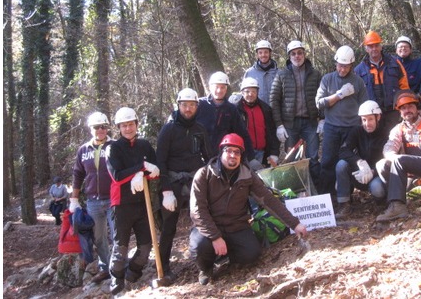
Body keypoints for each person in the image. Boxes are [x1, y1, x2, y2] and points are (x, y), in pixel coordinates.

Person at [189, 134, 307, 285]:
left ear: (241, 156)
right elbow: (197, 210)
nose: (233, 155)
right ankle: (206, 268)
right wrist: (215, 237)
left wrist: (295, 224)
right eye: (229, 150)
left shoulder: (247, 176)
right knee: (199, 246)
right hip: (209, 226)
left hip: (236, 226)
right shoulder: (204, 174)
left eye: (237, 152)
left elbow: (269, 200)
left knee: (251, 254)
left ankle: (228, 256)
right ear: (221, 152)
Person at [156, 88, 214, 284]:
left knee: (202, 221)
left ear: (197, 106)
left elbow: (209, 157)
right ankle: (163, 269)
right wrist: (165, 191)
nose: (188, 109)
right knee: (168, 227)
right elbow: (160, 161)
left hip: (195, 182)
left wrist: (211, 180)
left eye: (192, 105)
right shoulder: (168, 129)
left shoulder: (200, 129)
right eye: (185, 105)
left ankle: (205, 267)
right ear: (178, 106)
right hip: (172, 184)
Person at [105, 107, 161, 295]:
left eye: (131, 124)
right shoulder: (112, 148)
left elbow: (154, 170)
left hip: (142, 202)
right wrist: (140, 169)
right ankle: (116, 277)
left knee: (146, 246)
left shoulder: (145, 145)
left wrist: (150, 172)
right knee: (121, 248)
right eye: (124, 125)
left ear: (137, 124)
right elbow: (117, 176)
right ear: (119, 127)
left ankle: (133, 274)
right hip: (121, 203)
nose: (128, 128)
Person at [315, 45, 368, 197]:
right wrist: (339, 95)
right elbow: (319, 103)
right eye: (340, 66)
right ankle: (327, 198)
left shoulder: (358, 82)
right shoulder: (327, 79)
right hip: (332, 127)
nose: (342, 70)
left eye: (346, 67)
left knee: (347, 163)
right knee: (327, 162)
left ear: (351, 65)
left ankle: (345, 197)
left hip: (352, 128)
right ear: (336, 63)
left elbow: (364, 106)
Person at [69, 111, 115, 284]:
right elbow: (78, 174)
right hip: (93, 201)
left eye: (104, 127)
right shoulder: (83, 150)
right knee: (99, 237)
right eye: (97, 127)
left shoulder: (115, 146)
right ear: (91, 129)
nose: (101, 130)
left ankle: (118, 267)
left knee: (117, 234)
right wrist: (74, 199)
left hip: (113, 198)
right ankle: (106, 268)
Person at [375, 91, 421, 222]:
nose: (407, 110)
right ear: (399, 111)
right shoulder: (398, 129)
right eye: (403, 108)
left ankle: (398, 206)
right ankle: (396, 201)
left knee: (400, 160)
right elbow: (388, 148)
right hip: (408, 174)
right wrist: (394, 159)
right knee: (381, 164)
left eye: (410, 106)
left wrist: (399, 161)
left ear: (417, 108)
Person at [269, 40, 323, 175]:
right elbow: (274, 100)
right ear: (289, 56)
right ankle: (293, 192)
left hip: (310, 122)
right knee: (291, 159)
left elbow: (322, 97)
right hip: (290, 123)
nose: (297, 56)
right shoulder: (281, 74)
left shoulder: (315, 74)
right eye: (293, 54)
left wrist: (322, 118)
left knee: (313, 157)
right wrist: (279, 124)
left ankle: (316, 189)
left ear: (304, 54)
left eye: (299, 53)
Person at [334, 100, 387, 218]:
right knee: (341, 165)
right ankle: (344, 204)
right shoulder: (356, 131)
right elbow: (343, 150)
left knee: (377, 189)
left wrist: (373, 171)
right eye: (364, 120)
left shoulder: (386, 134)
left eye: (370, 119)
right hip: (359, 173)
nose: (367, 124)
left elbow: (389, 160)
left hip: (377, 175)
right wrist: (359, 162)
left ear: (378, 117)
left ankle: (381, 204)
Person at [354, 30, 409, 139]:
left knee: (395, 139)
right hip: (371, 114)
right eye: (370, 46)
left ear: (381, 46)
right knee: (375, 142)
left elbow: (404, 87)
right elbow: (356, 96)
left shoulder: (395, 63)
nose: (374, 49)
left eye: (376, 45)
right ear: (366, 49)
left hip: (393, 111)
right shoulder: (359, 70)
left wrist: (403, 107)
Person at [195, 71, 254, 163]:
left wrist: (251, 158)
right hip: (198, 156)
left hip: (221, 157)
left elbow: (242, 133)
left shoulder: (231, 109)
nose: (219, 90)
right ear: (210, 87)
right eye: (216, 87)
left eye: (222, 87)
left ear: (226, 89)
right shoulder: (199, 105)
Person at [231, 77, 280, 170]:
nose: (251, 94)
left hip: (262, 152)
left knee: (260, 181)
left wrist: (274, 152)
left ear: (257, 92)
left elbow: (272, 132)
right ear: (242, 92)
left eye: (254, 91)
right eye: (247, 91)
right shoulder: (236, 110)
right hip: (244, 154)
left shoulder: (265, 109)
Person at [243, 39, 279, 105]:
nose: (263, 55)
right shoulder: (250, 73)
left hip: (275, 111)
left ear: (270, 53)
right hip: (257, 111)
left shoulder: (278, 73)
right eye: (260, 52)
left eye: (266, 52)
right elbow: (244, 94)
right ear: (257, 54)